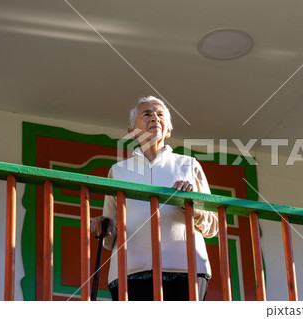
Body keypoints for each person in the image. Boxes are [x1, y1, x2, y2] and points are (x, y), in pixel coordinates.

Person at [91, 96, 218, 301]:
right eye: (147, 114)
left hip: (186, 270)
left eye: (161, 115)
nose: (155, 119)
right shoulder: (118, 171)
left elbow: (213, 226)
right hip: (129, 272)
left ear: (168, 130)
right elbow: (109, 236)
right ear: (131, 130)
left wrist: (190, 206)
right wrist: (101, 225)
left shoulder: (188, 165)